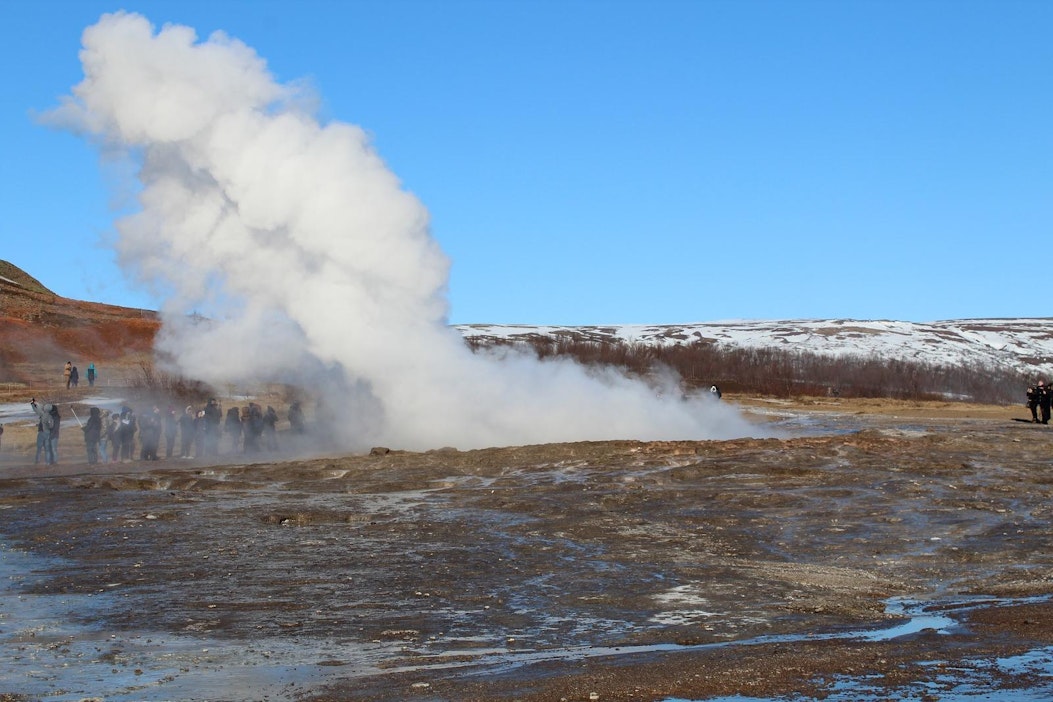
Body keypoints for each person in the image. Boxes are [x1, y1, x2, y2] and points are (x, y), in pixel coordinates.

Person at [30, 399, 56, 465]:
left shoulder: (42, 414)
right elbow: (51, 426)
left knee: (39, 448)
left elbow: (36, 410)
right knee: (47, 449)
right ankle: (47, 462)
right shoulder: (50, 417)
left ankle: (37, 461)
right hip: (47, 433)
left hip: (42, 433)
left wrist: (33, 404)